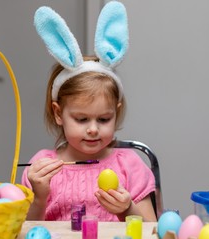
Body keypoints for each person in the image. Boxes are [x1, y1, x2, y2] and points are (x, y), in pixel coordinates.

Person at [21, 2, 157, 222]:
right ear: (58, 113)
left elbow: (152, 231)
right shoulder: (41, 168)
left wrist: (127, 209)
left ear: (117, 111)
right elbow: (21, 233)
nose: (93, 129)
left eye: (104, 119)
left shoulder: (129, 166)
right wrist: (39, 198)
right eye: (81, 119)